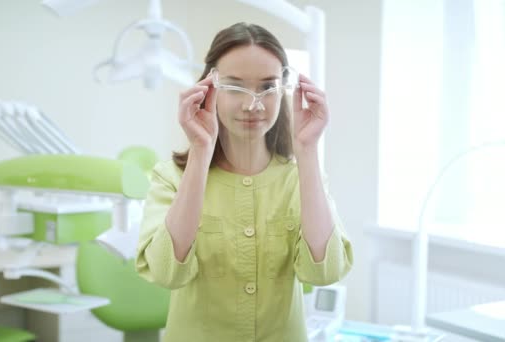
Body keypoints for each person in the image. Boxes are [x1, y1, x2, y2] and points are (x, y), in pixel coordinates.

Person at [136, 22, 353, 342]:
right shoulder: (170, 178)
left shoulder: (304, 178)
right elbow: (167, 272)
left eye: (267, 87)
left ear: (282, 90)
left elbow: (324, 273)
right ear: (209, 88)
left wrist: (306, 152)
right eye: (235, 87)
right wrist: (200, 150)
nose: (253, 104)